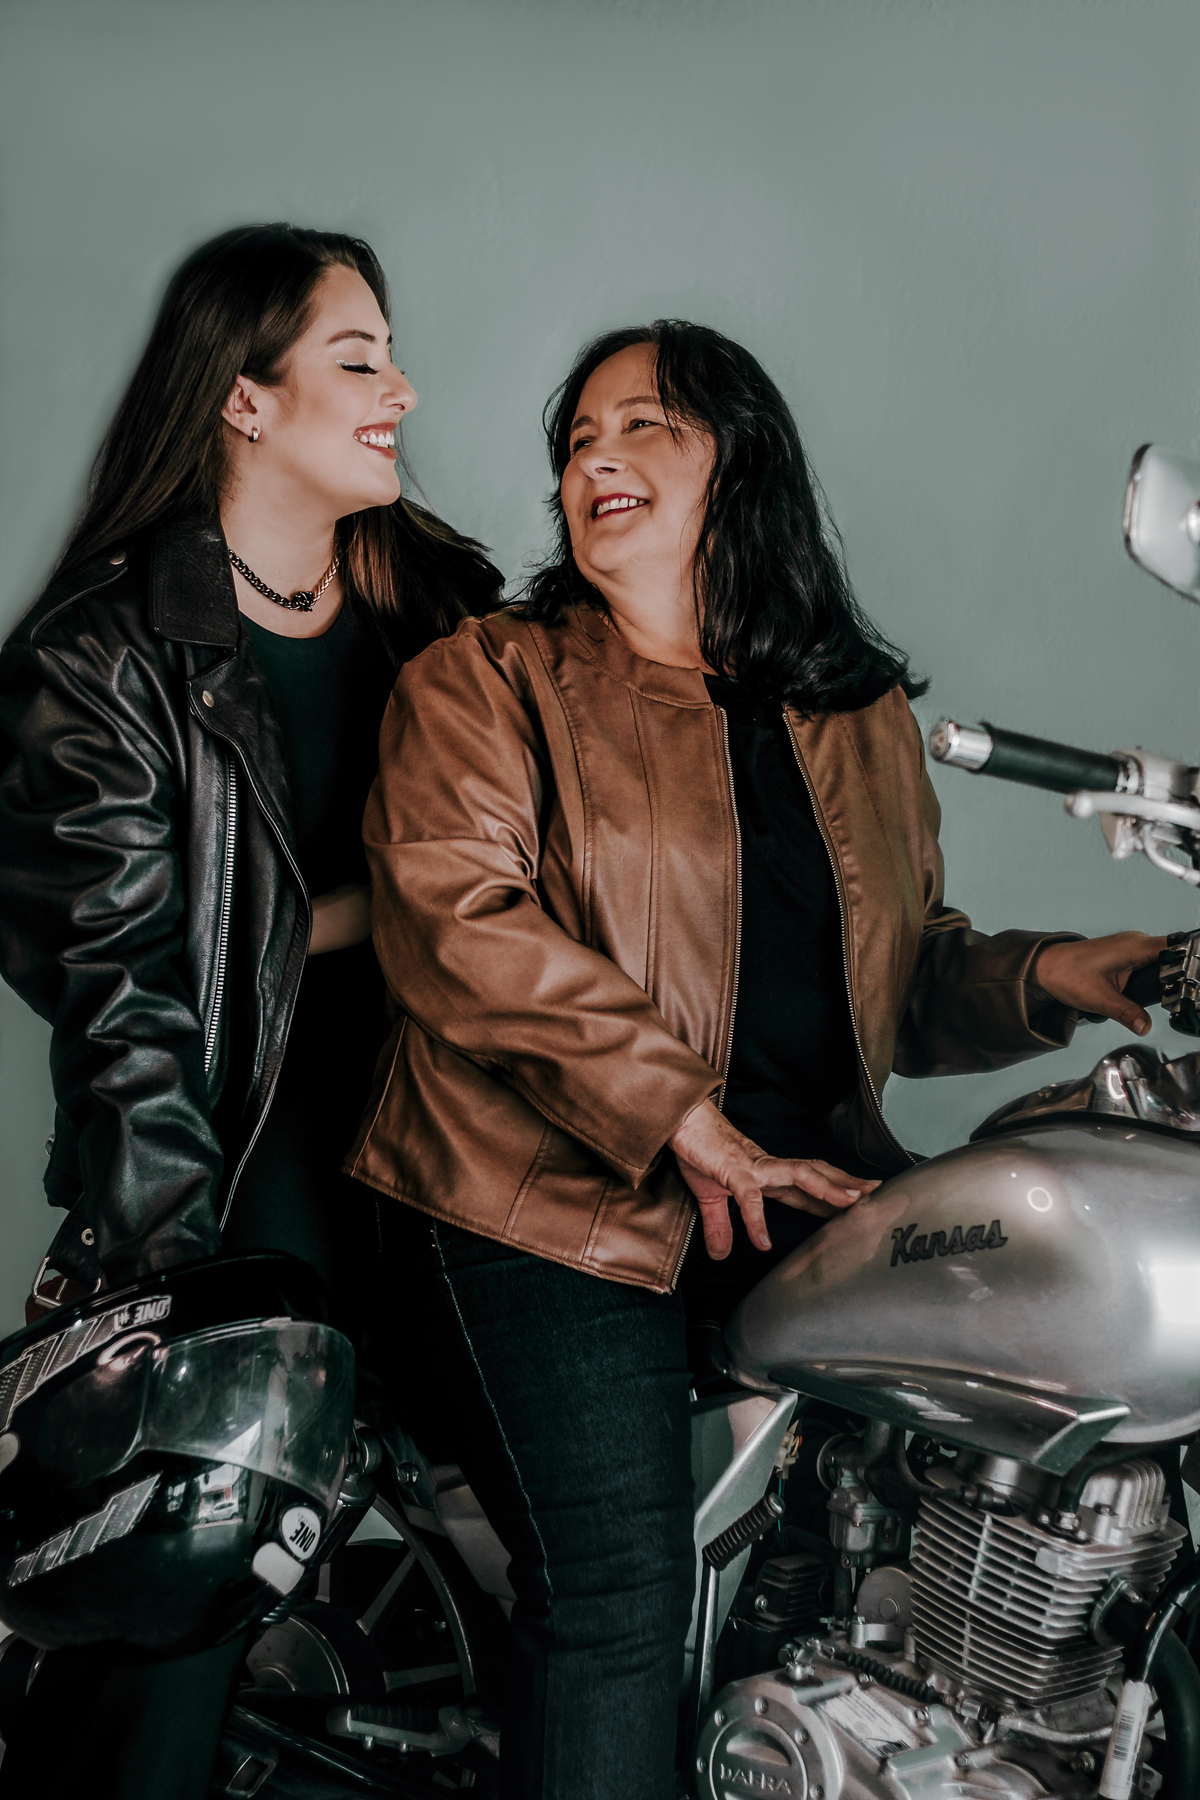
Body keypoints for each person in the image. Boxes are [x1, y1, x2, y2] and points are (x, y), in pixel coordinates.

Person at [347, 320, 1164, 1799]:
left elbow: (892, 977)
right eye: (578, 439)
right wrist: (681, 1116)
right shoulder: (492, 678)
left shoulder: (856, 718)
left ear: (742, 461)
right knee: (618, 1589)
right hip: (547, 1205)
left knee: (978, 1494)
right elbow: (457, 923)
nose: (596, 458)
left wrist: (1060, 974)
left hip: (799, 1192)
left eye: (643, 425)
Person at [0, 224, 499, 1799]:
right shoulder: (100, 658)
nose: (401, 390)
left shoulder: (441, 601)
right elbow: (123, 1003)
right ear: (243, 398)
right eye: (358, 360)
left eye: (392, 356)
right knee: (163, 1675)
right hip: (241, 1190)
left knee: (539, 1613)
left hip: (460, 1165)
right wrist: (182, 1297)